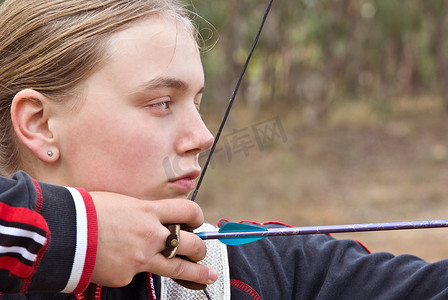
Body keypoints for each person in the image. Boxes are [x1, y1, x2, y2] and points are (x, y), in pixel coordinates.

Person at [1, 0, 448, 299]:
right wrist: (77, 236)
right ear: (40, 125)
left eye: (197, 103)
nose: (203, 136)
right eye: (161, 103)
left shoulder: (244, 274)